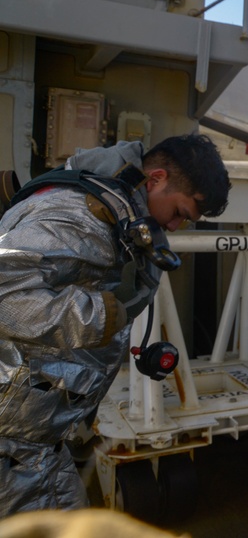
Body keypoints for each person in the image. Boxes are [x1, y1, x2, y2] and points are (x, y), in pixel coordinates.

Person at [0, 133, 230, 518]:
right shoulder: (77, 216)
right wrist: (101, 315)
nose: (174, 227)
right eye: (178, 212)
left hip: (34, 438)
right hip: (15, 444)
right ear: (155, 179)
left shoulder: (105, 212)